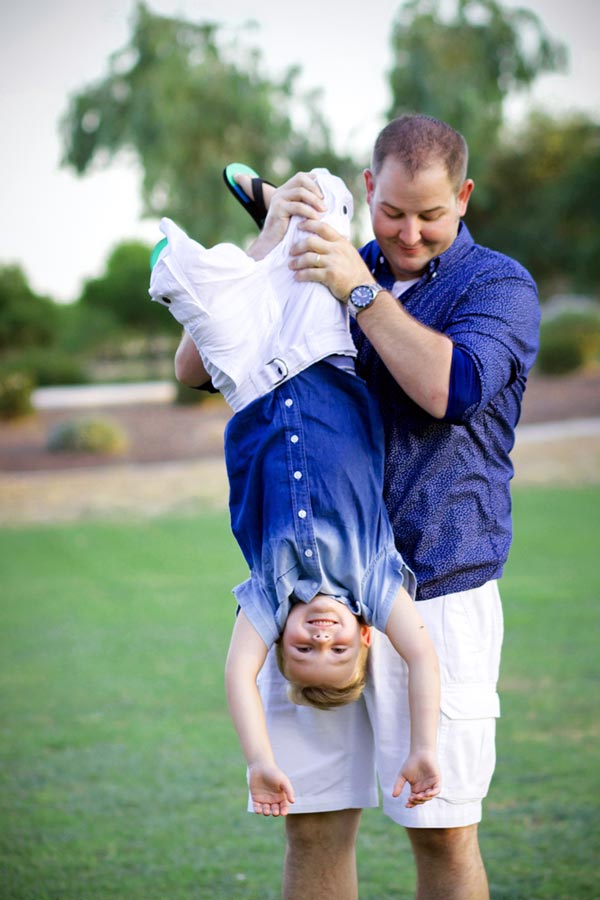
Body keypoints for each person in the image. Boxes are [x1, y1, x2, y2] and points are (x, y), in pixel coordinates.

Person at [175, 114, 540, 900]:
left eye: (432, 215)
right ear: (369, 190)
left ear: (465, 198)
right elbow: (199, 368)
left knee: (442, 832)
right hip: (311, 607)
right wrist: (271, 243)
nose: (409, 232)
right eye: (394, 211)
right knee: (311, 824)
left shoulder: (497, 285)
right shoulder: (330, 257)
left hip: (438, 594)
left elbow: (454, 389)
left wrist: (359, 289)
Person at [148, 168, 441, 819]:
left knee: (197, 297)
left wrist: (260, 759)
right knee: (324, 203)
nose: (320, 638)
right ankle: (280, 211)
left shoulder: (268, 596)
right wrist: (422, 745)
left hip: (250, 383)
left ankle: (192, 264)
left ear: (282, 643)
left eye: (304, 652)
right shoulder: (373, 581)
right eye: (337, 650)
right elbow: (420, 654)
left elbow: (237, 677)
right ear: (365, 637)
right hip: (320, 358)